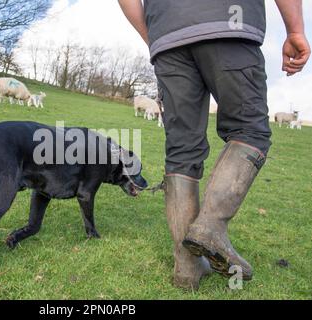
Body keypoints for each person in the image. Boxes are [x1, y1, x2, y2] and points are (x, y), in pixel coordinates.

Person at [118, 0, 310, 290]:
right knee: (250, 130)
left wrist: (156, 35)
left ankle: (186, 266)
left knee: (182, 151)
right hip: (228, 23)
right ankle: (210, 228)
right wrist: (295, 29)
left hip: (167, 36)